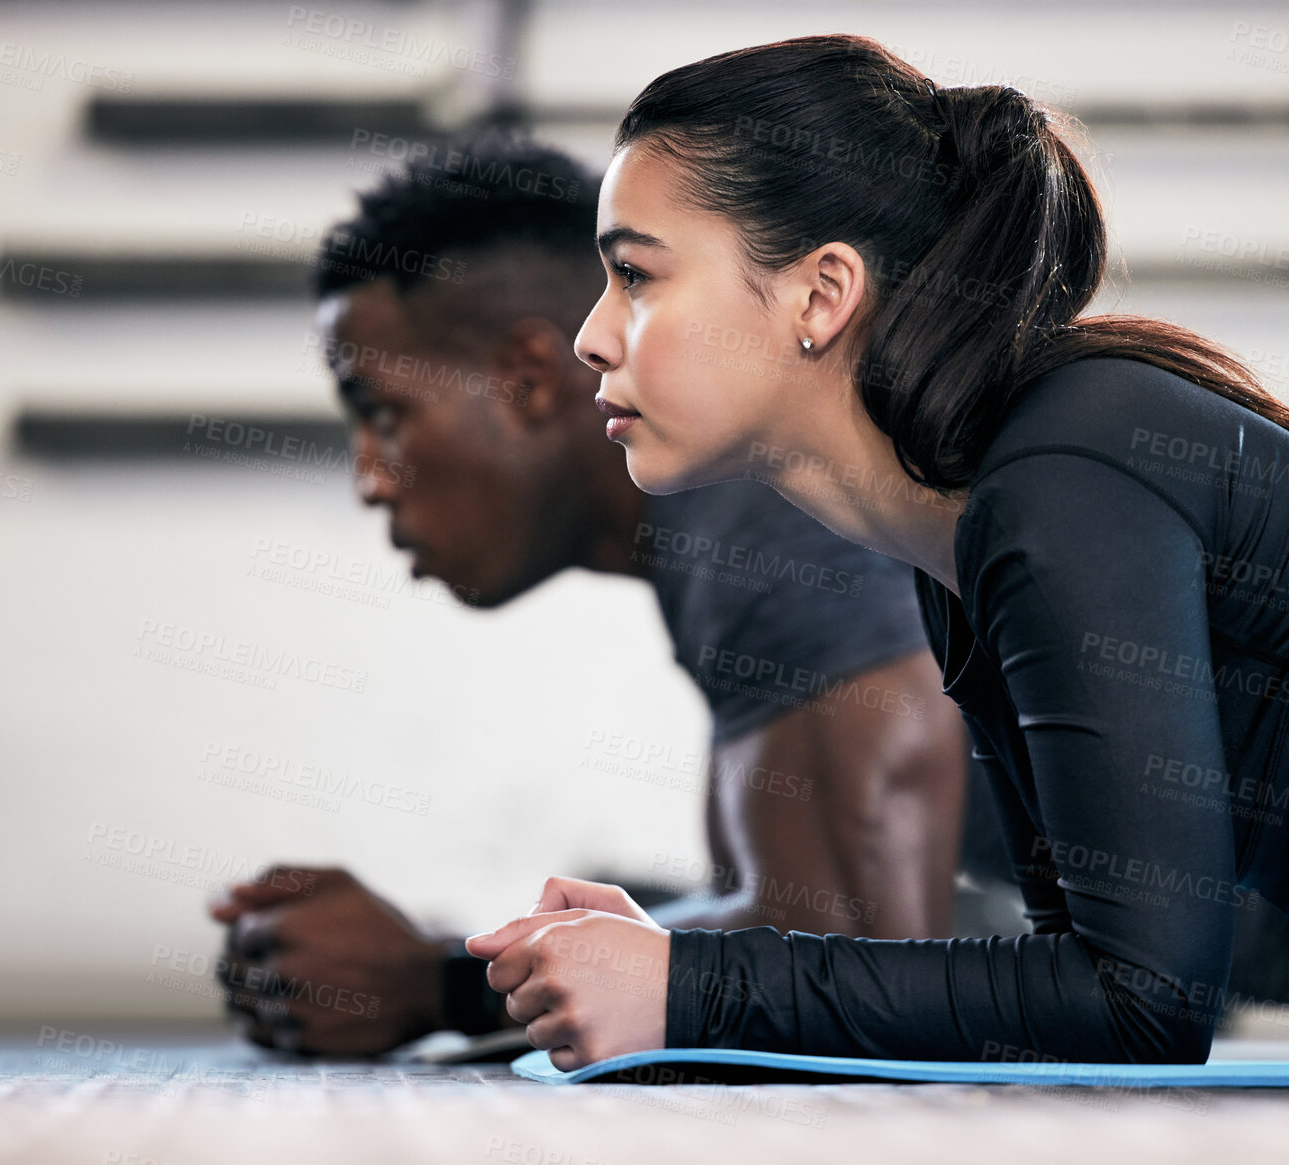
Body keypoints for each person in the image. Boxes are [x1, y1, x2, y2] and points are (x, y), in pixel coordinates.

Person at [460, 34, 1289, 1070]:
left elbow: (1141, 1003)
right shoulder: (966, 540)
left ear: (821, 292)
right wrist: (670, 968)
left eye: (639, 274)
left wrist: (688, 985)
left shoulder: (1063, 473)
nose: (590, 334)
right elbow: (1072, 969)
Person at [206, 127, 975, 1056]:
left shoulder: (758, 501)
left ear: (528, 379)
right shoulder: (729, 517)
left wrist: (449, 980)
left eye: (382, 412)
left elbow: (858, 959)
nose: (368, 476)